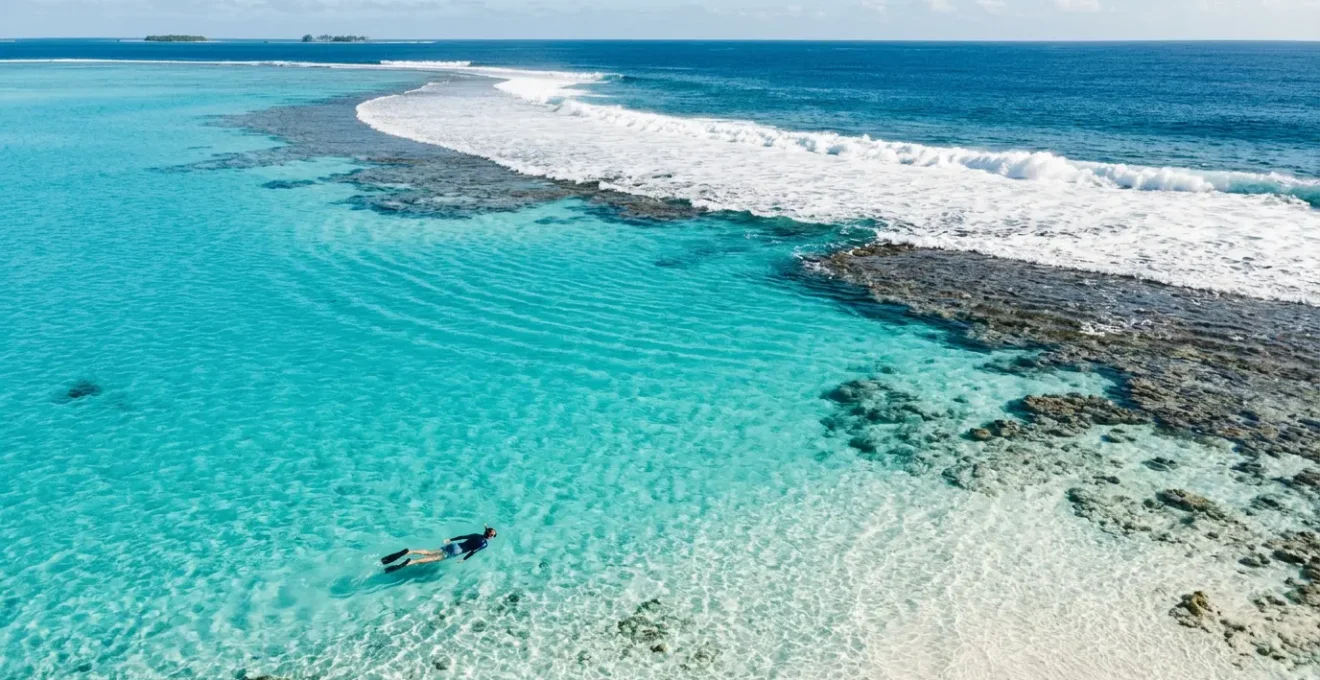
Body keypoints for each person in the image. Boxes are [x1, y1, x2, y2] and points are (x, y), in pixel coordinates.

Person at [381, 526, 496, 572]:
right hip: (458, 551)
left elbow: (462, 537)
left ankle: (410, 551)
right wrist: (464, 559)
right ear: (490, 537)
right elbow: (473, 552)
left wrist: (450, 539)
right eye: (493, 536)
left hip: (455, 546)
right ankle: (410, 562)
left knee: (429, 552)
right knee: (429, 559)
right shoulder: (484, 544)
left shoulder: (476, 535)